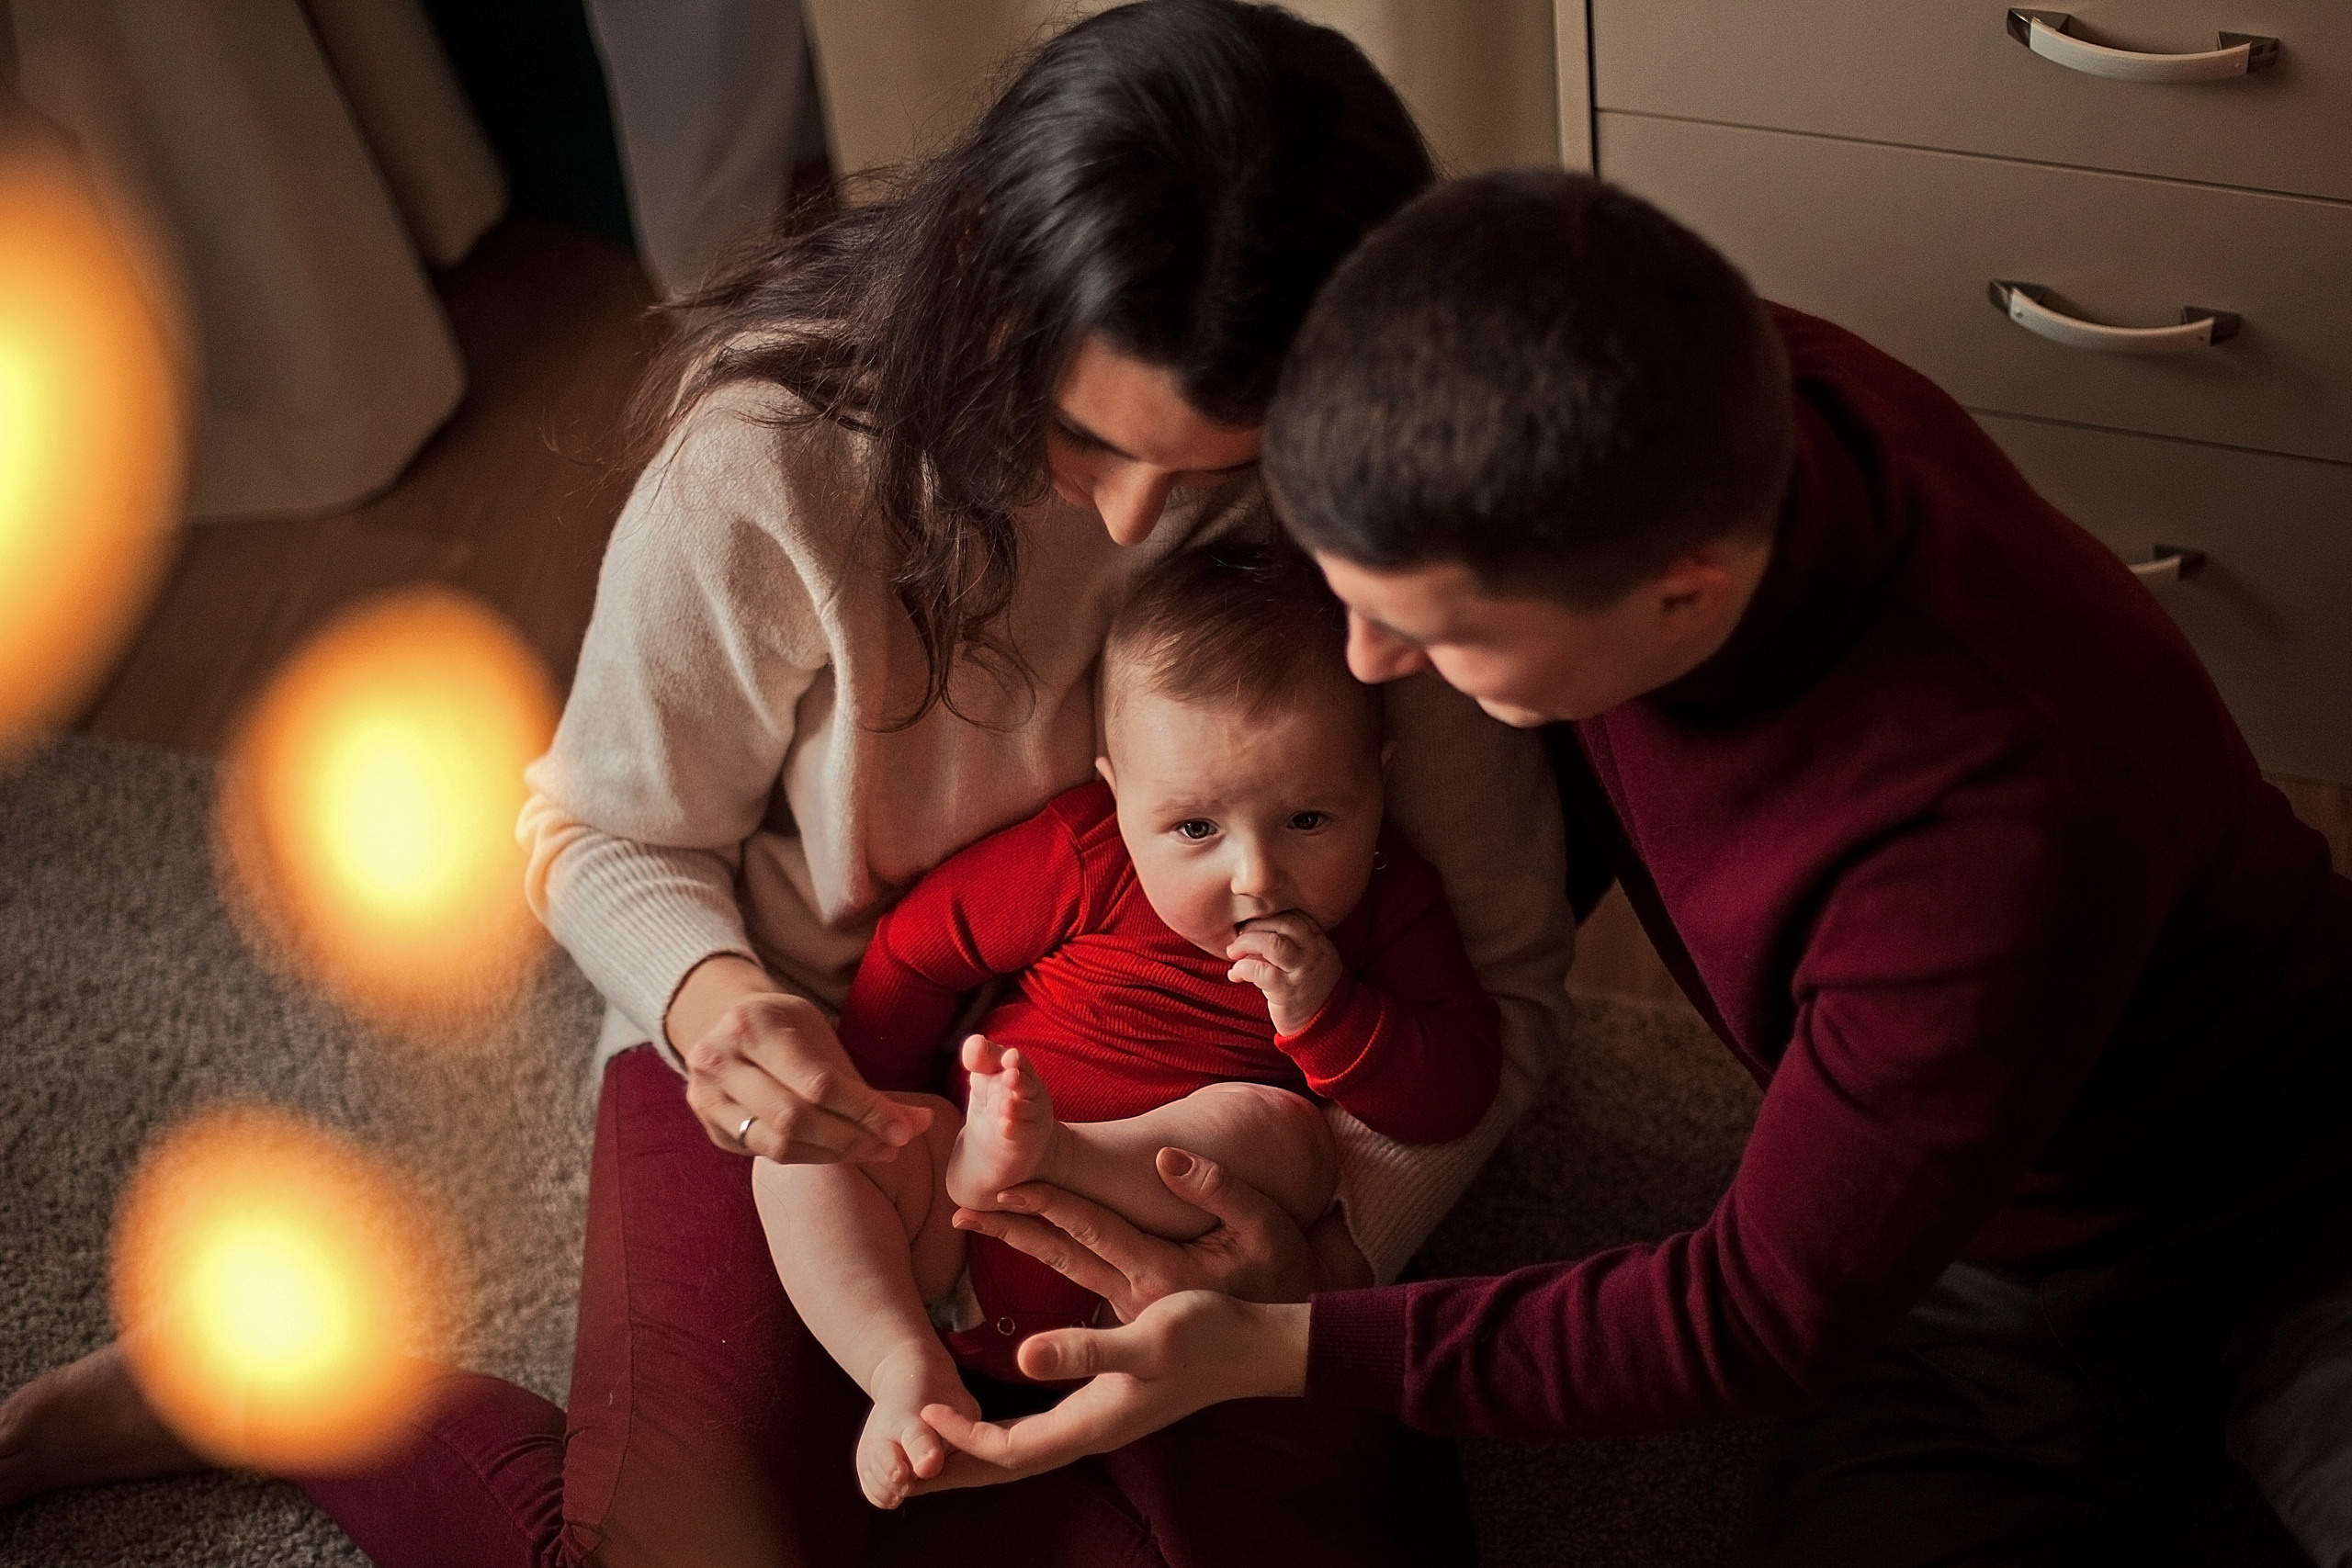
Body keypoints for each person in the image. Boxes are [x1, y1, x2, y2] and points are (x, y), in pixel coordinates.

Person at [0, 8, 1573, 1567]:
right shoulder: (779, 452)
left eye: (1217, 465)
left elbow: (1503, 969)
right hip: (824, 1042)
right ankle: (270, 1388)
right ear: (989, 297)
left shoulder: (1376, 503)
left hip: (1205, 1104)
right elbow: (595, 819)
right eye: (1085, 436)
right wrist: (716, 1006)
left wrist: (1318, 1258)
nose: (1137, 517)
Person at [902, 170, 2352, 1565]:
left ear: (1681, 595)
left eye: (1439, 635)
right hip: (1952, 1213)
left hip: (2279, 1190)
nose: (1374, 666)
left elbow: (1754, 1310)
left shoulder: (1991, 829)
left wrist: (1280, 1340)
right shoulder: (1655, 391)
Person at [763, 544, 1502, 1508]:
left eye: (1309, 820)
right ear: (1118, 793)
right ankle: (902, 1369)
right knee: (797, 1157)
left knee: (1285, 1138)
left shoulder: (1390, 900)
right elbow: (917, 948)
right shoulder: (1086, 854)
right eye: (1195, 829)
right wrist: (878, 1103)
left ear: (1379, 780)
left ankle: (1051, 1155)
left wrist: (1332, 1017)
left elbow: (1455, 1089)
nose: (1254, 877)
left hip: (1165, 1288)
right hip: (958, 1230)